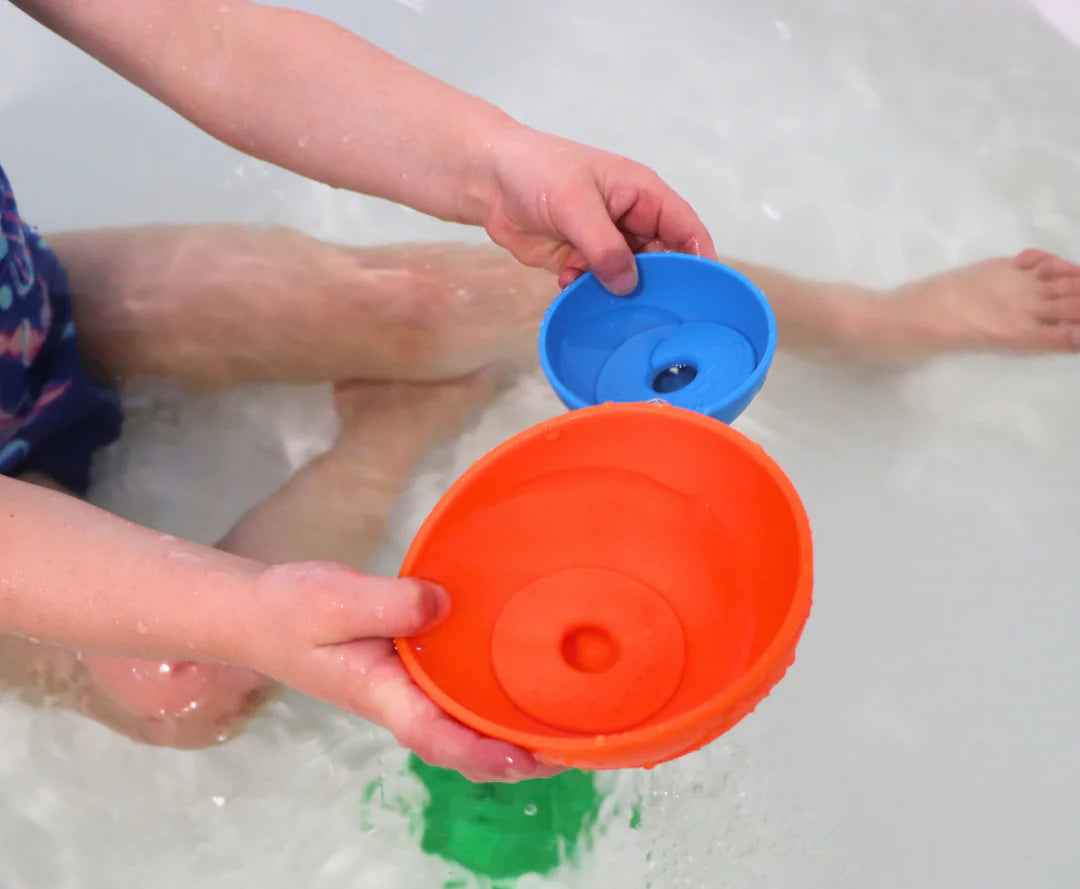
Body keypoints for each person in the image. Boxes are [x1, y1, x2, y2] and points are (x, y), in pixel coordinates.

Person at [4, 3, 1079, 780]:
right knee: (187, 681)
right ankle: (380, 439)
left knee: (435, 300)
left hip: (30, 316)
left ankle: (866, 320)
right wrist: (245, 610)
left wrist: (489, 160)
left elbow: (201, 34)